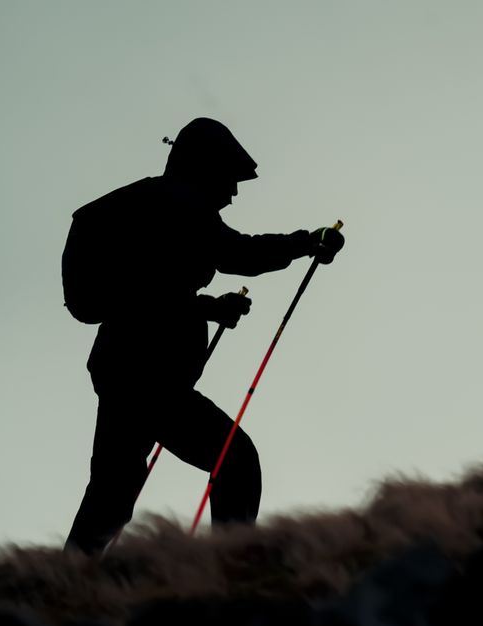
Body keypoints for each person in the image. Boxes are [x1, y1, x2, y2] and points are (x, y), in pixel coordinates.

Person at [61, 117, 344, 555]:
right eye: (229, 180)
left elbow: (150, 294)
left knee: (112, 492)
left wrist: (209, 308)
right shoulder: (181, 203)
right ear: (204, 167)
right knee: (236, 460)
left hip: (121, 368)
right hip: (147, 375)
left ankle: (65, 580)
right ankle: (227, 568)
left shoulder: (151, 201)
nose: (232, 194)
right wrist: (308, 241)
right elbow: (240, 254)